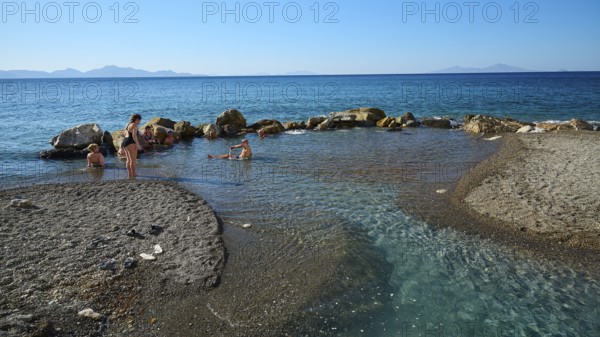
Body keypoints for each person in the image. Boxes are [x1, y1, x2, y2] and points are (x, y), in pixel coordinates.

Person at [121, 114, 143, 178]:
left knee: (128, 160)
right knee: (133, 160)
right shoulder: (135, 125)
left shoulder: (128, 124)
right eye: (139, 121)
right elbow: (134, 136)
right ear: (137, 120)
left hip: (125, 142)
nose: (140, 122)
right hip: (131, 142)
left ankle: (130, 174)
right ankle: (134, 174)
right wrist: (138, 145)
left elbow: (124, 133)